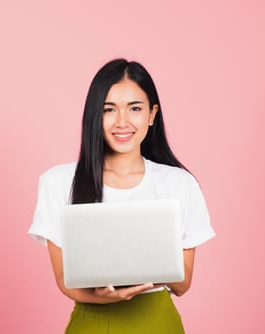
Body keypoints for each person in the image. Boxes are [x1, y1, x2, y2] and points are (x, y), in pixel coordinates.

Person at [27, 58, 216, 333]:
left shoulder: (180, 184)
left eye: (135, 108)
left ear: (152, 115)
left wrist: (148, 260)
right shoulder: (58, 182)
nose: (122, 122)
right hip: (92, 322)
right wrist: (101, 297)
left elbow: (183, 284)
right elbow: (65, 280)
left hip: (158, 322)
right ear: (95, 116)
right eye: (109, 110)